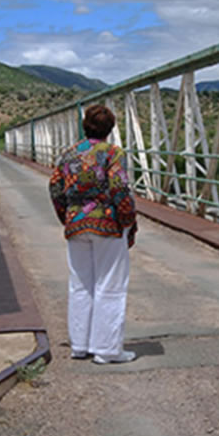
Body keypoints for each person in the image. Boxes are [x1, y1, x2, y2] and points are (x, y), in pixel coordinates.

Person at [49, 104, 138, 364]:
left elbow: (54, 187)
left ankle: (80, 345)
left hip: (76, 225)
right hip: (108, 226)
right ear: (110, 129)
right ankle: (107, 350)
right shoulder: (113, 153)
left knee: (80, 284)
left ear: (85, 125)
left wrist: (67, 216)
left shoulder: (68, 155)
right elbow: (119, 188)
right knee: (109, 285)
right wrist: (128, 221)